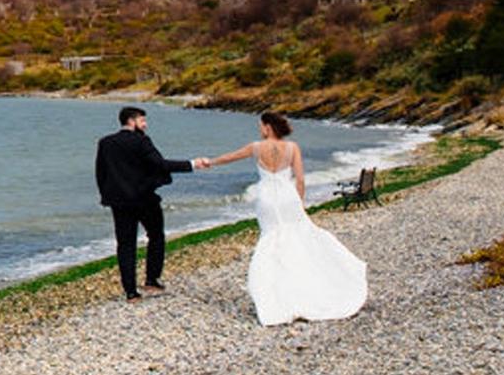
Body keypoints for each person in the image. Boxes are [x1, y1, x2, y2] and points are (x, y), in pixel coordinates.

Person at [198, 112, 367, 325]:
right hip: (289, 198)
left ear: (268, 127)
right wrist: (300, 204)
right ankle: (308, 286)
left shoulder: (256, 147)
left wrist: (209, 162)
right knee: (299, 238)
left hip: (267, 199)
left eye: (261, 125)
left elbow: (230, 157)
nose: (260, 129)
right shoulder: (292, 147)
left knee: (271, 241)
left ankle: (276, 295)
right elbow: (300, 180)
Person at [94, 106, 197, 302]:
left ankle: (131, 292)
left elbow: (101, 173)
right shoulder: (141, 141)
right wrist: (191, 164)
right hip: (144, 199)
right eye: (142, 120)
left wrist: (106, 197)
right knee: (156, 235)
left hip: (119, 202)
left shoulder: (105, 143)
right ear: (131, 121)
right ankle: (151, 279)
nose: (145, 125)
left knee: (125, 245)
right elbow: (160, 164)